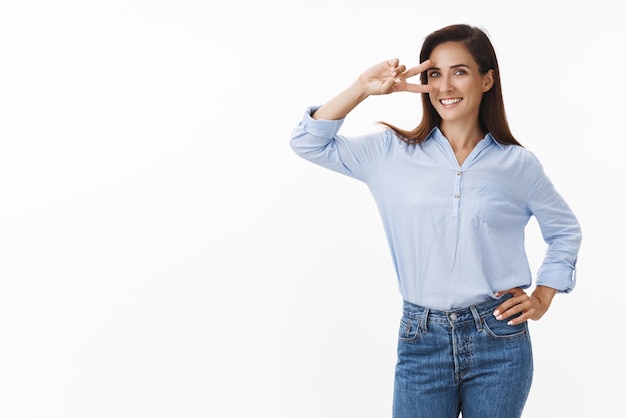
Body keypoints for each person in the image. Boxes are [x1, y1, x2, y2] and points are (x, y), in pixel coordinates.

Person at [289, 23, 582, 418]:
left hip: (498, 339)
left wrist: (544, 296)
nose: (445, 86)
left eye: (459, 71)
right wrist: (362, 87)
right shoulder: (389, 153)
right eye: (434, 74)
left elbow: (564, 230)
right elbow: (307, 142)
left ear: (487, 79)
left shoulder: (518, 165)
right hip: (420, 339)